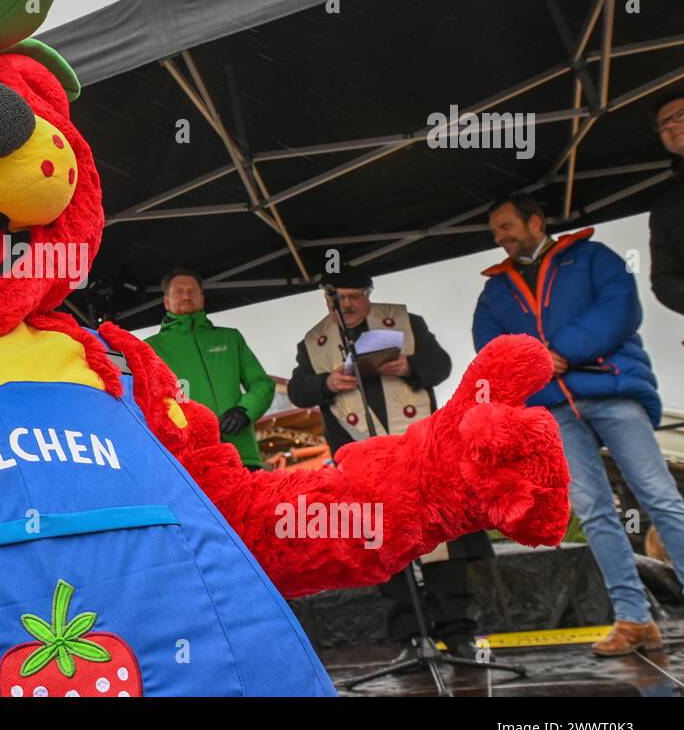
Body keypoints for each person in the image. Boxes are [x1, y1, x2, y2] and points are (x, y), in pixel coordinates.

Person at [475, 192, 684, 655]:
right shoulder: (494, 291)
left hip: (613, 392)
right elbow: (489, 348)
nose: (500, 238)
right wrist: (535, 362)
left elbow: (621, 308)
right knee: (592, 509)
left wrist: (562, 352)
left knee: (660, 496)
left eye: (506, 226)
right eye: (495, 232)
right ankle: (634, 620)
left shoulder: (592, 257)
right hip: (552, 410)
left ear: (535, 221)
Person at [288, 266, 488, 660]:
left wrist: (409, 366)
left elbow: (442, 366)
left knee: (440, 544)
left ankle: (459, 633)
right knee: (387, 548)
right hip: (364, 464)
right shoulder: (313, 343)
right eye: (339, 299)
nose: (347, 305)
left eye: (355, 296)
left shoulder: (405, 322)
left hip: (420, 453)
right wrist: (325, 384)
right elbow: (297, 389)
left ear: (368, 294)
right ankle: (411, 639)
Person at [145, 268, 275, 469]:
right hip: (188, 459)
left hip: (242, 455)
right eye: (179, 291)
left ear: (202, 298)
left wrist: (244, 411)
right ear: (166, 301)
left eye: (192, 291)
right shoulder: (150, 348)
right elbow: (147, 402)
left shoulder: (230, 338)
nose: (186, 296)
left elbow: (262, 383)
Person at [649, 88, 684, 315]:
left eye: (681, 115)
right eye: (663, 124)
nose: (670, 126)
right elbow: (664, 279)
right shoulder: (666, 207)